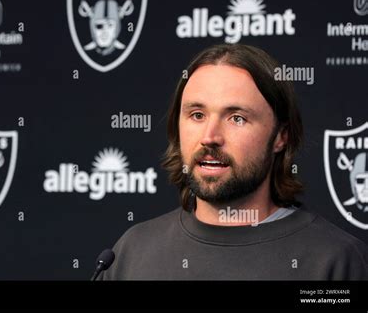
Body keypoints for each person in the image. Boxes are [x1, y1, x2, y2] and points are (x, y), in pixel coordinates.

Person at [99, 44, 368, 280]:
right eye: (196, 115)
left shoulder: (336, 262)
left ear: (281, 137)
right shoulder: (131, 252)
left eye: (236, 118)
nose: (209, 137)